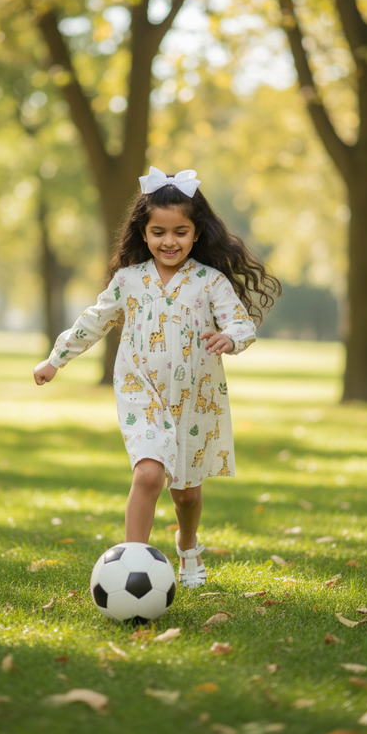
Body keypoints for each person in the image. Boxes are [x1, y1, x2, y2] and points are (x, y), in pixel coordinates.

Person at [33, 167, 281, 587]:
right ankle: (133, 568)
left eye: (180, 232)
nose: (170, 241)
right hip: (140, 391)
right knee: (148, 474)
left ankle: (188, 548)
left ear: (196, 233)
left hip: (195, 399)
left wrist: (229, 339)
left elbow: (242, 324)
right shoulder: (129, 281)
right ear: (143, 233)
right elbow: (95, 320)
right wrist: (56, 359)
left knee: (185, 492)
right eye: (159, 232)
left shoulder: (210, 282)